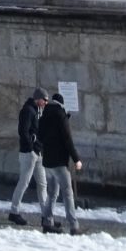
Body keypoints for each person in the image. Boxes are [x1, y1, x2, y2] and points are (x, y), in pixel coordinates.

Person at [38, 90, 82, 234]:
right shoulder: (60, 115)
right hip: (59, 163)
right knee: (67, 193)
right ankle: (73, 225)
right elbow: (67, 139)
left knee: (52, 193)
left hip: (47, 162)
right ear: (62, 104)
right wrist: (76, 159)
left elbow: (40, 137)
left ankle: (47, 221)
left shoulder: (44, 115)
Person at [8, 87, 47, 225]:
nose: (45, 102)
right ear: (38, 99)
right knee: (24, 182)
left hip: (38, 152)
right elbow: (23, 131)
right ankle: (14, 211)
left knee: (42, 184)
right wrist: (31, 147)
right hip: (29, 153)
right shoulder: (28, 111)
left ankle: (46, 215)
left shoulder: (37, 111)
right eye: (44, 100)